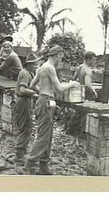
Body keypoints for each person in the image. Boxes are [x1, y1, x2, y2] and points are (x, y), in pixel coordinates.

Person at [25, 45, 79, 175]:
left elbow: (32, 85)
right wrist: (72, 84)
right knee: (43, 136)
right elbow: (59, 88)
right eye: (61, 56)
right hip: (46, 103)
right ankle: (31, 163)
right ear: (56, 55)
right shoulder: (50, 68)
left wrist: (43, 94)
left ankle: (44, 165)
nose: (61, 59)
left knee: (48, 136)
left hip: (44, 101)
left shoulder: (41, 67)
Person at [13, 53, 41, 162]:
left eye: (36, 63)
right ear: (29, 64)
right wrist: (35, 93)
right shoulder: (25, 74)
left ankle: (22, 150)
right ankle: (19, 154)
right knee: (25, 128)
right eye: (34, 64)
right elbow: (22, 90)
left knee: (27, 126)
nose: (36, 65)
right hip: (22, 101)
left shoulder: (30, 73)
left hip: (25, 101)